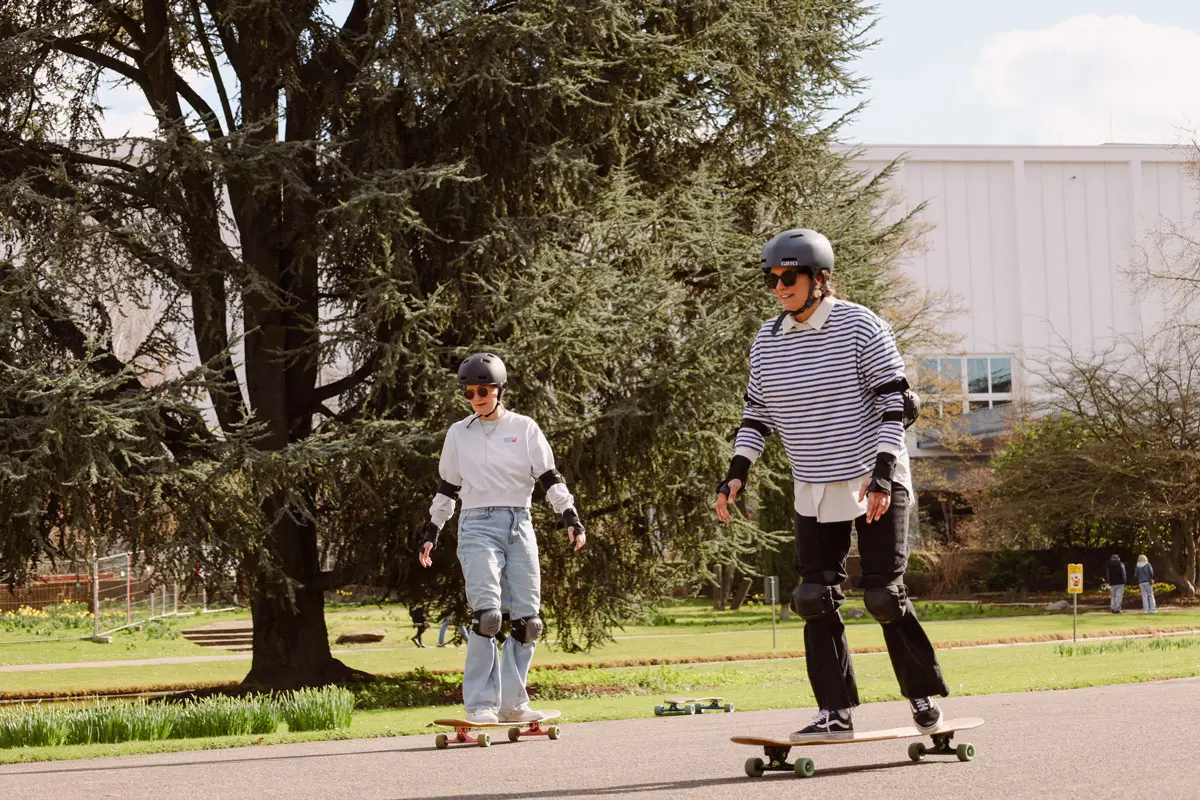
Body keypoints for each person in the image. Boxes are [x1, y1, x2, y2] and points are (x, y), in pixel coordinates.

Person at [715, 229, 949, 743]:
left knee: (883, 596)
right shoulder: (767, 340)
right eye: (772, 279)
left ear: (819, 278)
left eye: (789, 277)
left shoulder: (861, 325)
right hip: (814, 482)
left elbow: (895, 403)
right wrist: (736, 473)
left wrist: (883, 473)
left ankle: (921, 695)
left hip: (873, 475)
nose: (780, 287)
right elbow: (756, 415)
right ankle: (835, 710)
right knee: (813, 596)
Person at [418, 353, 586, 725]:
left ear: (499, 389)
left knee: (529, 622)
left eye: (483, 390)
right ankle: (480, 705)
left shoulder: (524, 428)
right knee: (488, 617)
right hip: (477, 523)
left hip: (519, 523)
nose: (476, 398)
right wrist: (433, 529)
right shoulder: (459, 433)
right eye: (469, 392)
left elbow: (549, 476)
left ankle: (513, 704)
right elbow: (448, 487)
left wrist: (569, 515)